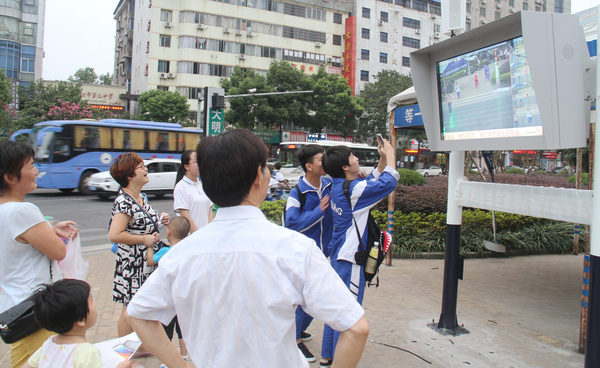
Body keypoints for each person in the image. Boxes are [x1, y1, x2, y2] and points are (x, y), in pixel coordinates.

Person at [126, 129, 369, 368]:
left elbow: (138, 314)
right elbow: (356, 328)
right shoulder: (295, 249)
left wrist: (181, 365)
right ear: (258, 177)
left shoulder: (180, 255)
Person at [0, 140, 78, 368]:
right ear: (10, 178)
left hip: (12, 307)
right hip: (36, 308)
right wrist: (54, 235)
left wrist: (49, 229)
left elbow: (15, 241)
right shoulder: (23, 210)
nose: (36, 171)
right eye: (31, 166)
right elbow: (58, 251)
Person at [322, 138, 399, 360]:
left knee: (337, 310)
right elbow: (388, 183)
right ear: (346, 167)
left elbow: (375, 178)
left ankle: (329, 357)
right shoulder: (353, 190)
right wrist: (392, 154)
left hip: (339, 258)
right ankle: (340, 362)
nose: (357, 158)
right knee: (349, 316)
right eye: (353, 156)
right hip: (351, 261)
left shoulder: (339, 187)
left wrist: (383, 158)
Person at [108, 153, 170, 350]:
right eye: (140, 166)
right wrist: (144, 239)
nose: (145, 169)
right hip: (132, 266)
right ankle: (124, 351)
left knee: (138, 309)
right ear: (129, 174)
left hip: (145, 264)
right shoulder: (123, 202)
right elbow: (115, 234)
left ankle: (138, 348)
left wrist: (160, 220)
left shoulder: (141, 198)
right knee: (130, 311)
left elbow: (143, 226)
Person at [284, 144, 333, 365]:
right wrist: (318, 211)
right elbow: (292, 225)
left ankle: (299, 328)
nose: (325, 163)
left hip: (325, 251)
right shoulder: (297, 193)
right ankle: (293, 339)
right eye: (321, 159)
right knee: (309, 298)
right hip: (304, 255)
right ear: (308, 166)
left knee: (314, 297)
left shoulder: (330, 184)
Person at [23, 279, 132, 368]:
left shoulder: (49, 344)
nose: (96, 305)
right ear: (80, 320)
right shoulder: (87, 353)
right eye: (91, 301)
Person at [147, 217, 191, 365]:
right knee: (182, 329)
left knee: (166, 329)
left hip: (167, 298)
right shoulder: (187, 249)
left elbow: (150, 261)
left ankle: (167, 360)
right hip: (183, 296)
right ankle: (184, 356)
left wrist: (149, 246)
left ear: (169, 232)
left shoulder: (165, 251)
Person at [173, 150, 213, 234]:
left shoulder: (202, 185)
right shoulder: (181, 187)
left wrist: (209, 231)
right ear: (186, 167)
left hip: (206, 235)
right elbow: (185, 216)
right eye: (196, 161)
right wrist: (198, 235)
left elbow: (210, 209)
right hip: (192, 237)